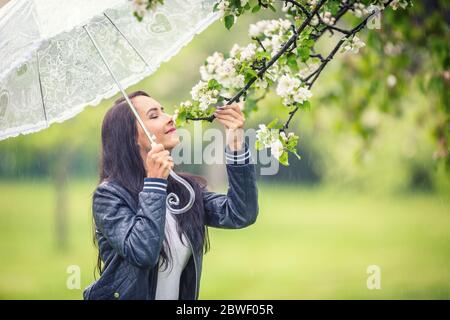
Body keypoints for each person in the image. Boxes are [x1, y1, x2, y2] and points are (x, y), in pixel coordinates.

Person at [83, 90, 259, 300]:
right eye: (154, 115)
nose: (170, 118)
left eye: (164, 111)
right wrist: (155, 184)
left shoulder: (184, 190)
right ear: (132, 137)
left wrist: (236, 143)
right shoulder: (109, 196)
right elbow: (143, 252)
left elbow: (240, 213)